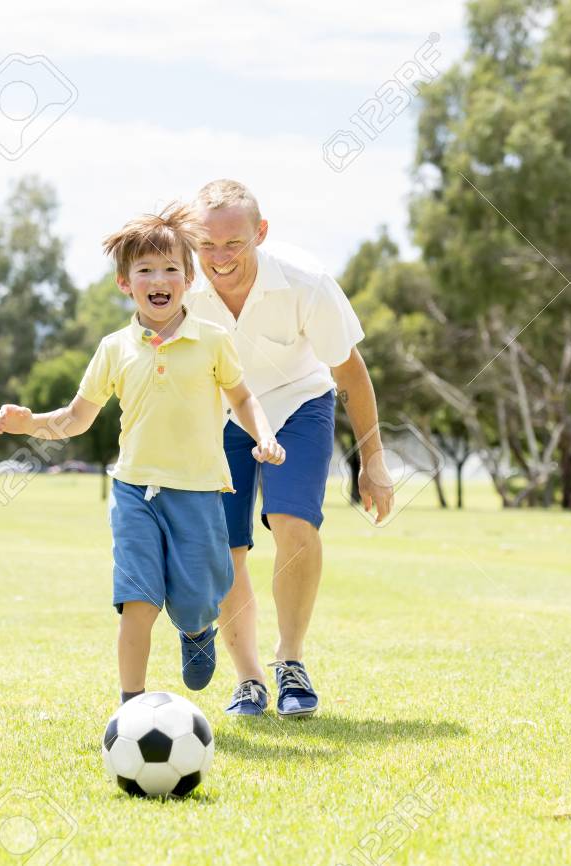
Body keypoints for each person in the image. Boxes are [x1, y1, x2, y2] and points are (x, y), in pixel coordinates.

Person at [0, 203, 285, 704]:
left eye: (170, 269)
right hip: (134, 492)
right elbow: (77, 417)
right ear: (125, 283)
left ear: (189, 279)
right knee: (138, 600)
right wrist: (31, 423)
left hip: (198, 493)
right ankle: (131, 705)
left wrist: (264, 435)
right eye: (145, 270)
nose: (159, 279)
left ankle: (196, 629)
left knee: (197, 601)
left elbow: (242, 398)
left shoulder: (213, 341)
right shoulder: (114, 348)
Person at [186, 179, 395, 717]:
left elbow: (350, 372)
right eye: (206, 244)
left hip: (298, 403)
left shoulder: (307, 282)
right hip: (221, 413)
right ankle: (249, 679)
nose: (219, 258)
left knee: (293, 523)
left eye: (233, 243)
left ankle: (291, 661)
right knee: (225, 546)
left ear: (260, 232)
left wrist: (372, 460)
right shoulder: (179, 285)